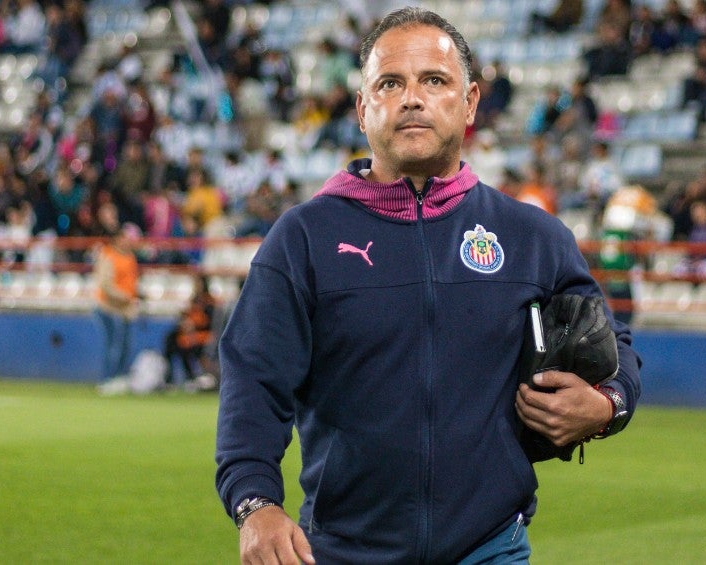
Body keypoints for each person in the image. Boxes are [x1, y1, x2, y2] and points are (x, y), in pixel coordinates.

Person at [215, 8, 641, 564]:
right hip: (343, 552)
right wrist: (255, 504)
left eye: (434, 80)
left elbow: (617, 350)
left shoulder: (532, 236)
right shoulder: (304, 238)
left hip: (489, 549)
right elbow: (253, 381)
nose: (412, 98)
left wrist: (605, 406)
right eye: (390, 83)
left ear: (469, 104)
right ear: (364, 108)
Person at [93, 225, 140, 383]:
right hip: (109, 307)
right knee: (114, 344)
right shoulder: (108, 256)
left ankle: (119, 377)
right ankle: (109, 378)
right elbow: (105, 285)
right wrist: (124, 296)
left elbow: (131, 281)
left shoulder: (129, 257)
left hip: (125, 309)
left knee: (125, 346)